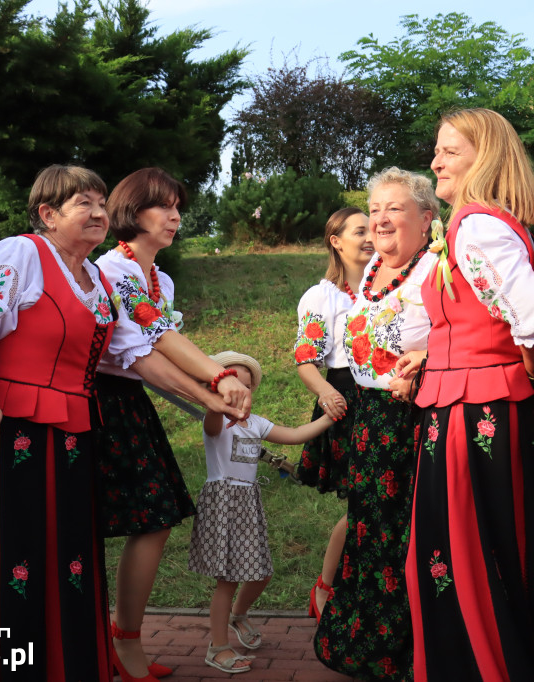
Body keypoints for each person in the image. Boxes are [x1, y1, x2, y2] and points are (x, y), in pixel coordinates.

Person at [401, 108, 534, 681]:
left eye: (449, 150)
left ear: (485, 155)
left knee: (471, 556)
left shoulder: (478, 225)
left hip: (478, 413)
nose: (435, 161)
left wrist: (523, 372)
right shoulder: (475, 223)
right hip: (465, 407)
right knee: (471, 553)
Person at [0, 165, 121, 681]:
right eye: (83, 203)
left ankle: (67, 667)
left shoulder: (97, 277)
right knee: (16, 553)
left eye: (102, 203)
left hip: (73, 435)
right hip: (14, 434)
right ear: (47, 214)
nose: (98, 213)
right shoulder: (21, 255)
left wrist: (211, 385)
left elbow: (132, 354)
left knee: (69, 553)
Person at [94, 167, 251, 682]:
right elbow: (149, 346)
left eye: (178, 205)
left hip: (128, 401)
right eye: (162, 205)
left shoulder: (158, 278)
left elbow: (155, 348)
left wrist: (215, 393)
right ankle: (101, 641)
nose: (175, 215)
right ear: (131, 212)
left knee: (155, 516)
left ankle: (125, 638)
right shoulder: (113, 271)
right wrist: (218, 381)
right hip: (93, 401)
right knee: (99, 523)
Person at [314, 167, 439, 680]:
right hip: (368, 418)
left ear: (427, 219)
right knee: (367, 527)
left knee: (402, 532)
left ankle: (406, 651)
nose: (381, 220)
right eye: (376, 209)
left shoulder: (436, 268)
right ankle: (362, 640)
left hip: (412, 417)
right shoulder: (370, 271)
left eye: (396, 208)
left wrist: (427, 356)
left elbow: (473, 331)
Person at [188, 351, 332, 674]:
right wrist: (215, 397)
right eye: (233, 381)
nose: (242, 390)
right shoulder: (215, 419)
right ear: (219, 386)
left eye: (247, 385)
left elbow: (295, 435)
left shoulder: (255, 423)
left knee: (261, 571)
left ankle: (239, 615)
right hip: (223, 502)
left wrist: (329, 418)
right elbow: (212, 423)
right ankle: (218, 647)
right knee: (227, 579)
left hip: (247, 503)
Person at [292, 207, 373, 621]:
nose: (370, 236)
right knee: (361, 502)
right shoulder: (322, 296)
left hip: (390, 399)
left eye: (373, 228)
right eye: (360, 230)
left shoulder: (392, 288)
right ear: (336, 241)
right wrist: (326, 393)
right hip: (346, 400)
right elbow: (306, 359)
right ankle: (325, 587)